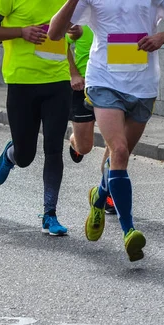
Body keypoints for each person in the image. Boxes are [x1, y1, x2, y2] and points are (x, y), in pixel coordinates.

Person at [49, 0, 164, 261]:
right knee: (119, 149)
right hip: (103, 81)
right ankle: (129, 231)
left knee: (120, 157)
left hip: (143, 84)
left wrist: (162, 37)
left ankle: (99, 195)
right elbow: (54, 34)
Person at [0, 0, 71, 236]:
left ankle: (49, 214)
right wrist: (22, 32)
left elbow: (78, 27)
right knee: (25, 156)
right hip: (22, 84)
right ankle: (12, 154)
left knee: (54, 149)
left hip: (57, 83)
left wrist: (76, 31)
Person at [66, 24, 115, 214]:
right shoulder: (81, 15)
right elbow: (61, 42)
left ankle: (108, 190)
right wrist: (73, 73)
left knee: (116, 142)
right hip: (83, 86)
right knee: (85, 146)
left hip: (112, 85)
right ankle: (74, 142)